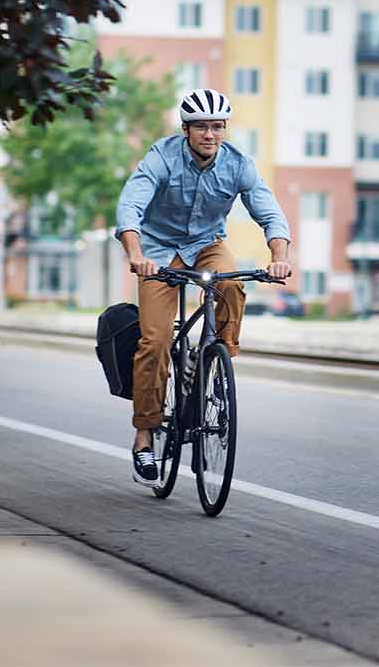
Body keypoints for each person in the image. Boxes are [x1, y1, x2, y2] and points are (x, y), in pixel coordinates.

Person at [114, 88, 292, 484]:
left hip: (207, 245)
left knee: (231, 284)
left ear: (224, 130)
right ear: (186, 130)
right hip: (158, 251)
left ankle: (214, 359)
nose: (209, 134)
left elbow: (269, 212)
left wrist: (279, 256)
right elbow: (131, 206)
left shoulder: (238, 164)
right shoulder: (161, 158)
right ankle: (144, 436)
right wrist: (136, 251)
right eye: (201, 128)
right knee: (155, 341)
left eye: (217, 127)